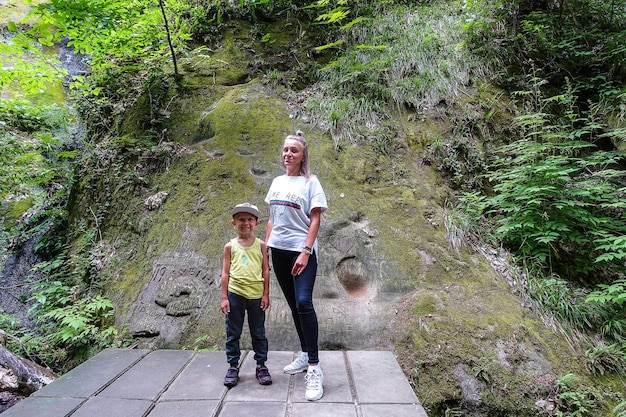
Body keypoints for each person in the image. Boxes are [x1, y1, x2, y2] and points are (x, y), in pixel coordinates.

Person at [264, 131, 328, 401]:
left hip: (300, 252)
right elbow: (272, 218)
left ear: (303, 157)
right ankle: (304, 353)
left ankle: (314, 367)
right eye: (286, 150)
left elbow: (315, 220)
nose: (288, 154)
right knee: (293, 305)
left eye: (294, 150)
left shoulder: (311, 183)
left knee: (304, 302)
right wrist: (264, 248)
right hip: (278, 251)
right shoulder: (277, 181)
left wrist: (305, 251)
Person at [220, 203, 271, 387]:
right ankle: (233, 366)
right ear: (234, 222)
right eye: (241, 219)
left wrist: (266, 294)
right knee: (233, 332)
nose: (246, 223)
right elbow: (225, 273)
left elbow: (266, 270)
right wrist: (224, 297)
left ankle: (261, 365)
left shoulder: (262, 245)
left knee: (258, 332)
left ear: (256, 223)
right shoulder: (230, 246)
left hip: (256, 295)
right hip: (235, 294)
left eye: (250, 219)